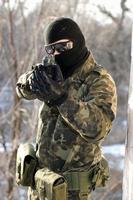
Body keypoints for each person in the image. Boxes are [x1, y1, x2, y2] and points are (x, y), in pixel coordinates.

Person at [16, 17, 117, 200]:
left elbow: (97, 128)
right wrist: (31, 81)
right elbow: (21, 89)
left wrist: (61, 99)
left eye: (62, 47)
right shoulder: (53, 69)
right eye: (51, 49)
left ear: (77, 42)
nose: (56, 53)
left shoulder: (98, 80)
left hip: (72, 192)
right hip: (40, 187)